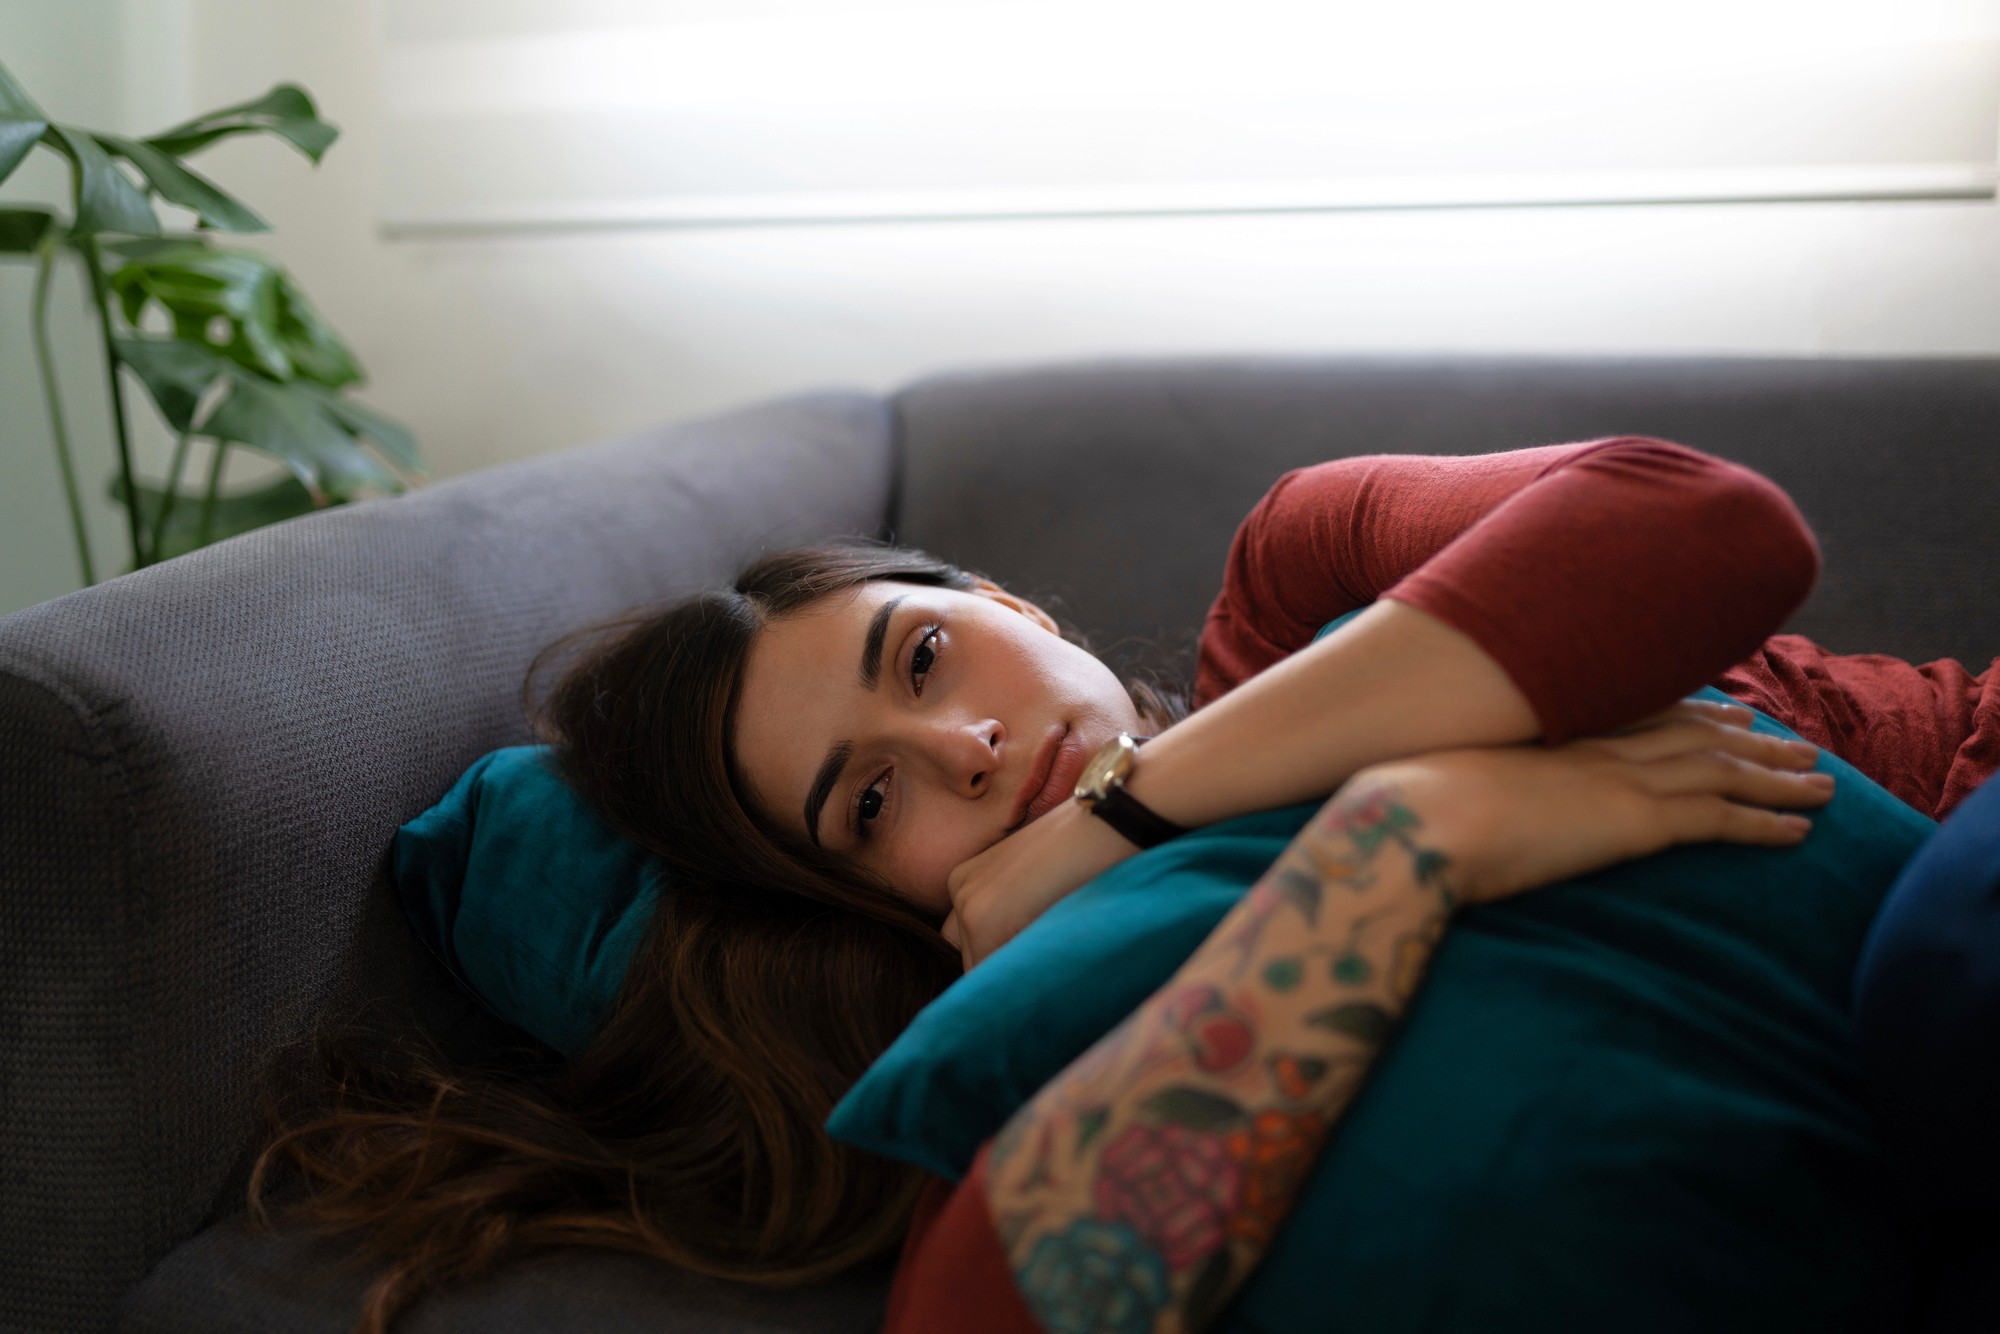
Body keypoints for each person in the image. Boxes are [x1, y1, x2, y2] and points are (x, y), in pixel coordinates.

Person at [250, 437, 2000, 1334]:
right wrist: (1404, 846)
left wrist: (1130, 809)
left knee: (1946, 962)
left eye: (927, 654)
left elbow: (1705, 526)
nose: (963, 748)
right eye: (869, 801)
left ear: (1015, 598)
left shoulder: (1300, 569)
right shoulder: (1079, 1009)